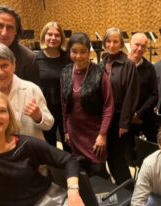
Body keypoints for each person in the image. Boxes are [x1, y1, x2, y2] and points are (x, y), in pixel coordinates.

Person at [0, 91, 84, 206]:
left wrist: (73, 192)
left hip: (47, 201)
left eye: (3, 111)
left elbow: (69, 160)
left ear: (8, 117)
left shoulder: (25, 144)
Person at [0, 42, 53, 141]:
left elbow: (49, 125)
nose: (0, 72)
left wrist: (38, 116)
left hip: (29, 151)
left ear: (14, 65)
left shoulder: (31, 89)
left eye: (4, 65)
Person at [61, 32, 114, 178]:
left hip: (94, 133)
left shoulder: (99, 73)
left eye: (83, 51)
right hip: (74, 132)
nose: (78, 56)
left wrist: (102, 135)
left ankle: (104, 199)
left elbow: (108, 106)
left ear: (89, 51)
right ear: (69, 52)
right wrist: (66, 130)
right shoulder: (65, 72)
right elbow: (64, 104)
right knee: (82, 171)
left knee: (98, 171)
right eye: (74, 52)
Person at [101, 27, 139, 186]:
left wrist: (124, 122)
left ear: (121, 44)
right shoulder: (102, 63)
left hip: (118, 118)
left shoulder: (128, 64)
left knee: (118, 157)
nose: (111, 44)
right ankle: (116, 187)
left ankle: (128, 190)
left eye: (115, 41)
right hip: (103, 118)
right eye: (108, 41)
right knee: (107, 154)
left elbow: (132, 95)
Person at [36, 21, 71, 150]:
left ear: (61, 38)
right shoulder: (35, 58)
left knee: (69, 145)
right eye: (49, 34)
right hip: (45, 108)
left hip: (66, 109)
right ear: (44, 36)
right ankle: (53, 170)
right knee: (49, 145)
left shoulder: (68, 58)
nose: (53, 38)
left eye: (57, 35)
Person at [127, 32, 158, 142]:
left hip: (145, 119)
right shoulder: (121, 65)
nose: (140, 49)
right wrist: (130, 116)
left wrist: (138, 114)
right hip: (124, 120)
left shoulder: (149, 68)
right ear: (130, 44)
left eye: (143, 46)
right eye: (137, 44)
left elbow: (154, 95)